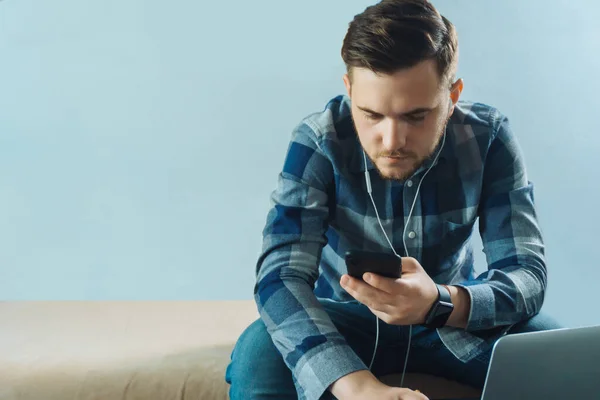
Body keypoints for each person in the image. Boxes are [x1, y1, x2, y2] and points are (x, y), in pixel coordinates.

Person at [225, 0, 561, 399]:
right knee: (258, 348)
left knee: (554, 350)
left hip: (452, 319)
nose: (392, 141)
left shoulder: (487, 138)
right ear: (349, 91)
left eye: (416, 116)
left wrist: (438, 302)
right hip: (348, 322)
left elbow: (527, 275)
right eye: (371, 115)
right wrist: (357, 387)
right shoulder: (319, 140)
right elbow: (280, 276)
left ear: (453, 95)